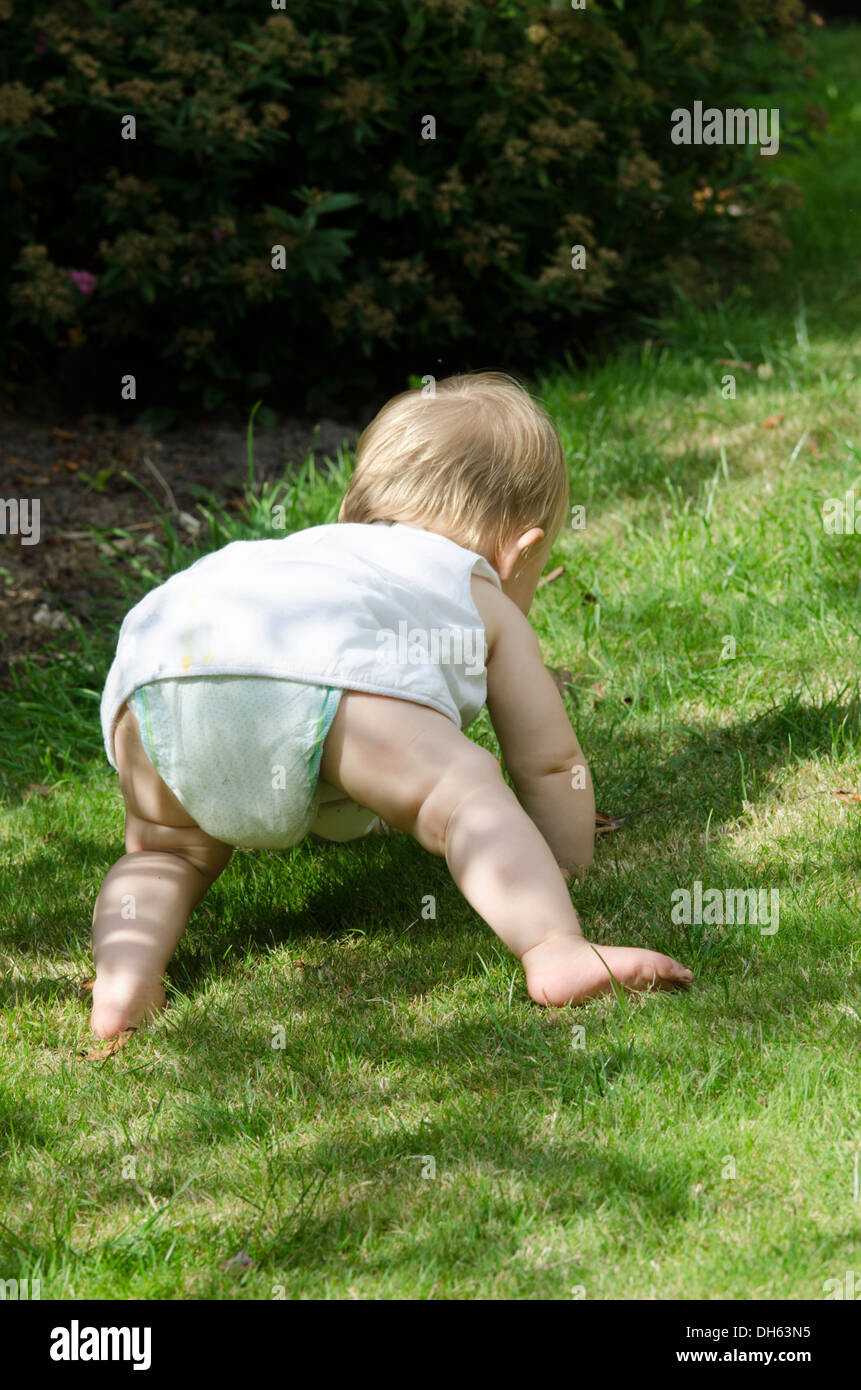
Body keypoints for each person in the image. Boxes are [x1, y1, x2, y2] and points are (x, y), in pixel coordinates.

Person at [92, 372, 692, 1038]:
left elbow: (300, 736)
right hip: (311, 663)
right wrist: (565, 862)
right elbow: (548, 763)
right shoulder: (472, 584)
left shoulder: (314, 556)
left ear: (355, 502)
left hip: (158, 665)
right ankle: (555, 950)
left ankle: (123, 979)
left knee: (163, 854)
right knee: (462, 792)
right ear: (520, 550)